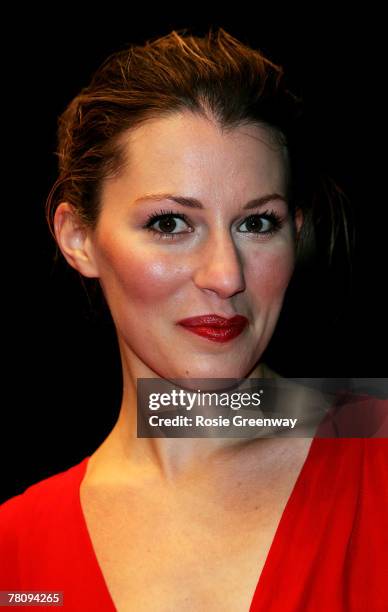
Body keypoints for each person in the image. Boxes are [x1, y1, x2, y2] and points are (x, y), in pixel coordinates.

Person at [1, 27, 387, 611]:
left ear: (297, 234)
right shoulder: (16, 550)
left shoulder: (377, 451)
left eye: (258, 224)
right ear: (78, 238)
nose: (226, 275)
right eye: (169, 224)